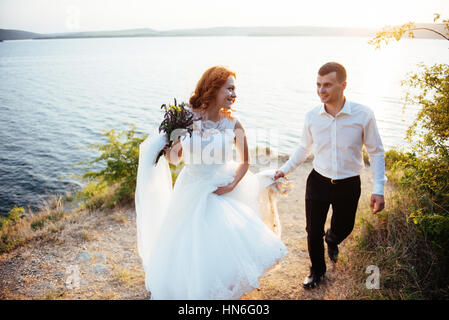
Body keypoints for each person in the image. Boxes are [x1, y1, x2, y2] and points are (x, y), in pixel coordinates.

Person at [135, 66, 288, 299]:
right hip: (191, 187)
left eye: (235, 89)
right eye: (229, 88)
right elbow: (175, 159)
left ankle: (222, 288)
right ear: (213, 87)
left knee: (222, 242)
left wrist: (231, 185)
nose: (234, 94)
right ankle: (190, 287)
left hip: (221, 186)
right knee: (188, 241)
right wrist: (168, 149)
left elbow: (245, 162)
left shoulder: (233, 124)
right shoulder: (186, 117)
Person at [274, 62, 386, 289]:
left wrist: (378, 189)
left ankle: (332, 239)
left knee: (344, 227)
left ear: (343, 85)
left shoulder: (363, 115)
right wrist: (284, 169)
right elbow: (303, 149)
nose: (321, 90)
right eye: (318, 85)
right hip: (318, 181)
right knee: (312, 231)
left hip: (348, 184)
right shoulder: (312, 116)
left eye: (327, 85)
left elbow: (376, 152)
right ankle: (317, 271)